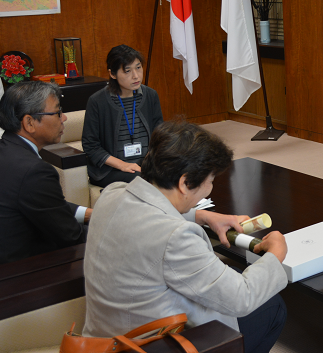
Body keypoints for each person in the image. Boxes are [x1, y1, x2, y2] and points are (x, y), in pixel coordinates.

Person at [83, 121, 288, 353]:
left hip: (103, 338)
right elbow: (242, 298)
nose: (210, 187)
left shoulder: (112, 194)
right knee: (272, 306)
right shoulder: (176, 237)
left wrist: (202, 216)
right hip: (147, 344)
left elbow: (149, 212)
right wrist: (275, 255)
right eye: (210, 180)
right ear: (184, 182)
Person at [0, 81, 89, 264]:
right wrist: (110, 224)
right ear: (29, 122)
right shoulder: (34, 172)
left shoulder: (5, 151)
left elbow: (46, 204)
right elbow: (71, 236)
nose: (64, 118)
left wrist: (88, 213)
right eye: (57, 112)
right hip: (22, 274)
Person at [82, 45, 163, 188]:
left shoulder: (151, 95)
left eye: (138, 68)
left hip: (145, 165)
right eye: (127, 71)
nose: (136, 76)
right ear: (112, 74)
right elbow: (90, 145)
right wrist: (123, 165)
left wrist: (150, 160)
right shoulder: (97, 101)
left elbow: (160, 134)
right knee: (142, 180)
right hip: (110, 170)